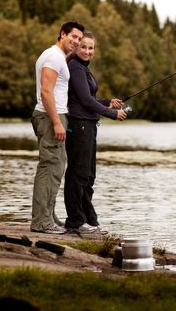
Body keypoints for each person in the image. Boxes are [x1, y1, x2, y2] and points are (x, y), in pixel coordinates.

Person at [64, 31, 127, 235]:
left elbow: (89, 98)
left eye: (91, 48)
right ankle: (75, 221)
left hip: (88, 125)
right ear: (77, 47)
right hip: (80, 125)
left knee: (89, 175)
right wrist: (111, 113)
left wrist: (107, 101)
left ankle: (90, 220)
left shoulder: (83, 69)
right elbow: (84, 101)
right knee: (78, 174)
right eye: (84, 47)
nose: (87, 51)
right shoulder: (75, 66)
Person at [31, 21, 85, 234]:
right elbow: (46, 92)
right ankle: (41, 222)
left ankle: (48, 215)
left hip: (55, 115)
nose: (76, 42)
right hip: (49, 116)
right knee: (50, 167)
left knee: (56, 166)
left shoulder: (57, 57)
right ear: (62, 34)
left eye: (79, 39)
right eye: (73, 37)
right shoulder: (54, 56)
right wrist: (55, 121)